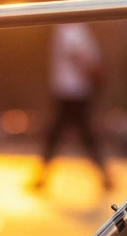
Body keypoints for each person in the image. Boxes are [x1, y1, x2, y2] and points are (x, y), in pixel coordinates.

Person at [33, 23, 112, 191]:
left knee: (68, 135)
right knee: (76, 135)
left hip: (75, 91)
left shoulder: (77, 28)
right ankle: (104, 175)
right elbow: (76, 56)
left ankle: (42, 175)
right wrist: (95, 72)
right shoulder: (70, 28)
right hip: (70, 91)